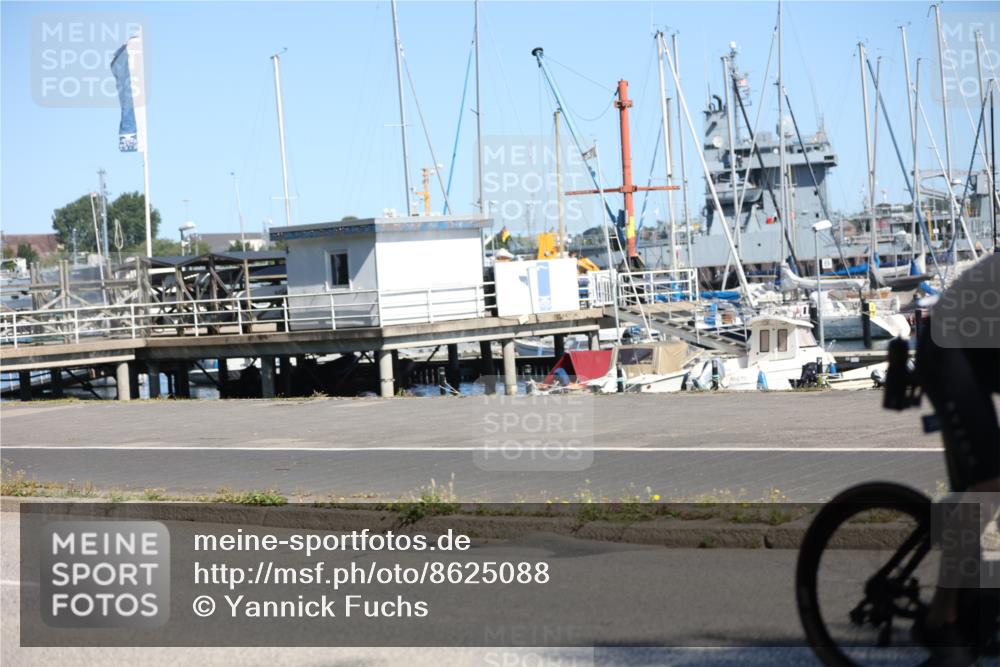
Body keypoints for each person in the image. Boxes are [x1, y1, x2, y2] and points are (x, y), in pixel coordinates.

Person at [915, 252, 1000, 666]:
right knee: (989, 486)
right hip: (947, 354)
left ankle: (981, 604)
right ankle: (941, 616)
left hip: (976, 362)